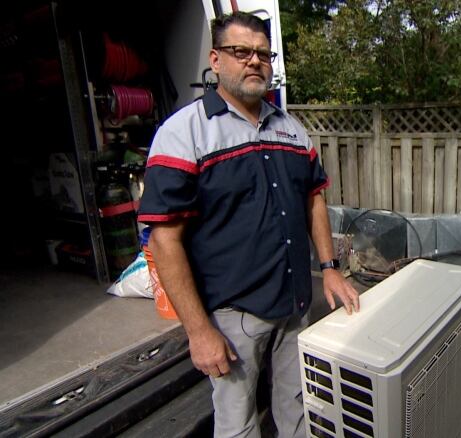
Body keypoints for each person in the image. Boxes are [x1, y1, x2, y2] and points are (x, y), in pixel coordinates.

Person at [138, 11, 359, 438]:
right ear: (216, 60)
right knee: (238, 425)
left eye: (262, 53)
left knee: (298, 411)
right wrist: (199, 331)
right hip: (233, 315)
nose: (254, 61)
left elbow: (314, 196)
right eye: (241, 52)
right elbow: (165, 239)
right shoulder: (184, 134)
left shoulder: (291, 130)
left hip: (295, 305)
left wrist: (330, 269)